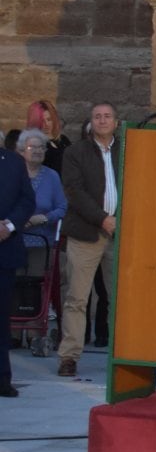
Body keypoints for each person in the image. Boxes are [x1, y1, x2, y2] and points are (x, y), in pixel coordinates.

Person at [58, 103, 121, 379]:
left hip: (120, 234)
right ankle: (69, 356)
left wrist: (119, 220)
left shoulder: (128, 151)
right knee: (77, 298)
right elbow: (74, 191)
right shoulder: (75, 152)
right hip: (86, 233)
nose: (102, 120)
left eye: (107, 116)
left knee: (121, 299)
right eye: (97, 116)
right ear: (90, 123)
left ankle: (124, 357)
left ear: (116, 122)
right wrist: (102, 218)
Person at [0, 144, 38, 396]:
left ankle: (2, 377)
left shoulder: (14, 162)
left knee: (2, 317)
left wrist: (10, 225)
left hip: (4, 250)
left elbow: (27, 200)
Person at [25, 100, 70, 173]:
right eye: (42, 121)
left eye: (49, 119)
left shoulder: (63, 140)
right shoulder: (34, 146)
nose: (46, 124)